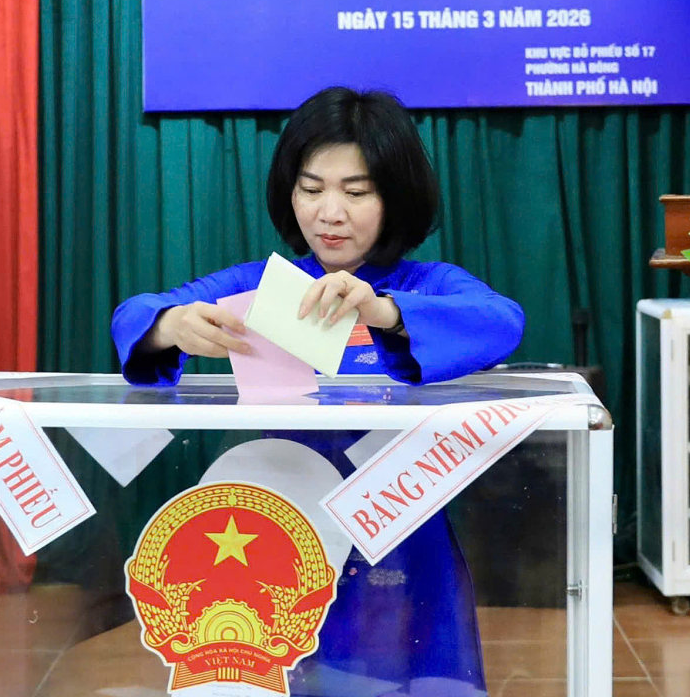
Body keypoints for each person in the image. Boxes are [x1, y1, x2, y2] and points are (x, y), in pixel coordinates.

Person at [111, 87, 525, 696]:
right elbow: (137, 313)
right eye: (311, 189)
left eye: (356, 192)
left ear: (395, 196)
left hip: (399, 533)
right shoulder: (262, 285)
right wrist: (169, 325)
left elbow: (501, 321)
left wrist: (384, 311)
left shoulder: (427, 284)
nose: (330, 213)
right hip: (283, 540)